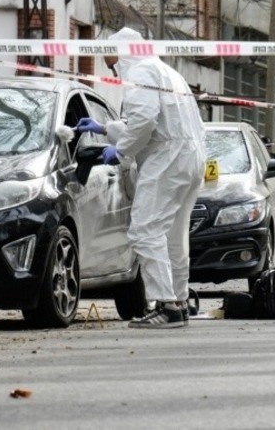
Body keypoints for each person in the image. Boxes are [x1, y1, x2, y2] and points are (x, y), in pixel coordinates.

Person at [76, 27, 206, 328]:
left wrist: (119, 151)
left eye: (110, 60)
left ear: (121, 53)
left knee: (145, 231)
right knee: (173, 235)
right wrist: (104, 128)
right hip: (189, 157)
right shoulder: (166, 72)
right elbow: (149, 122)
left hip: (167, 160)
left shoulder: (141, 73)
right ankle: (180, 300)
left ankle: (165, 304)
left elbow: (144, 122)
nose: (110, 67)